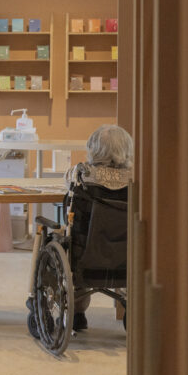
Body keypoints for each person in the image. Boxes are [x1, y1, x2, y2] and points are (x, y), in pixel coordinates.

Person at [64, 123, 134, 330]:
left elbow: (66, 185)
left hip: (88, 254)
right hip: (126, 256)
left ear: (93, 149)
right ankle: (130, 305)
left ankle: (78, 313)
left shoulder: (81, 175)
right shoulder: (137, 180)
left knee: (72, 243)